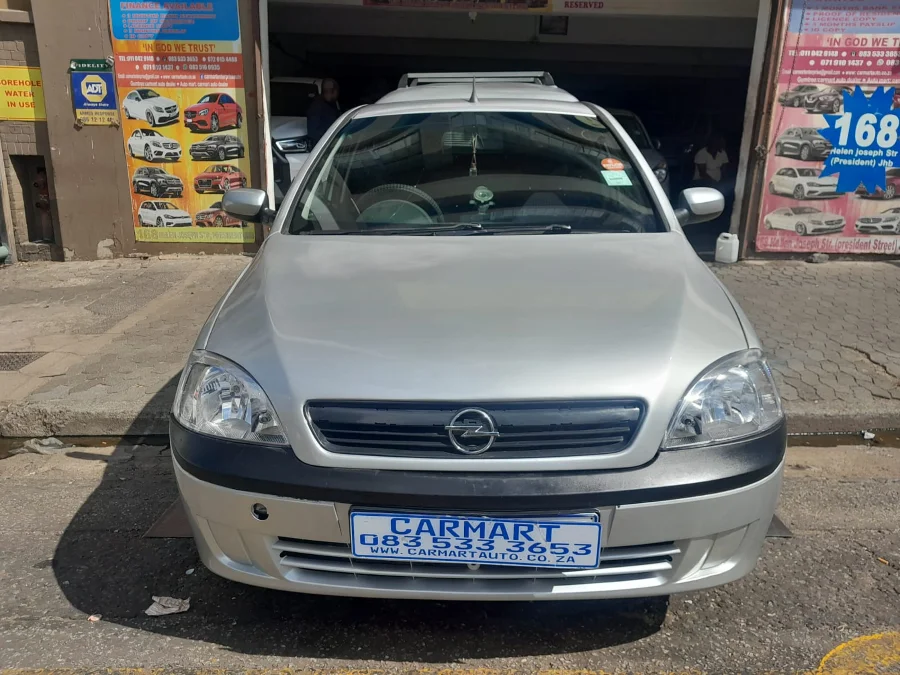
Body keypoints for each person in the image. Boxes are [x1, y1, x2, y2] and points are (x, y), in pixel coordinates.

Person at [306, 78, 340, 147]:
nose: (337, 95)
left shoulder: (332, 104)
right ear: (331, 92)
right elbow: (313, 131)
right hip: (322, 146)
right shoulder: (317, 106)